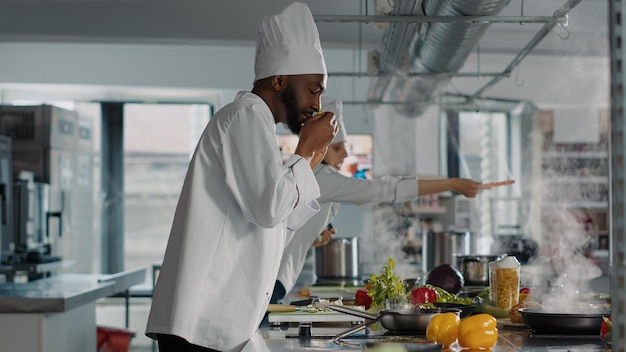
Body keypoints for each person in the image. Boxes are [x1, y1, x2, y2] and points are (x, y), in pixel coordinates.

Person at [146, 3, 337, 351]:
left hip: (220, 323)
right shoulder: (245, 115)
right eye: (314, 89)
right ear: (279, 80)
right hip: (201, 323)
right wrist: (304, 150)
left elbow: (276, 220)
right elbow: (268, 208)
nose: (318, 103)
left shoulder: (258, 126)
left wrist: (309, 160)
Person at [271, 98, 483, 304]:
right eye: (337, 148)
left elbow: (288, 225)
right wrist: (452, 184)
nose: (345, 153)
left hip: (277, 277)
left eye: (344, 146)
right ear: (318, 150)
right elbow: (381, 190)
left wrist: (312, 237)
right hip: (276, 278)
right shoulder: (322, 177)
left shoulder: (311, 175)